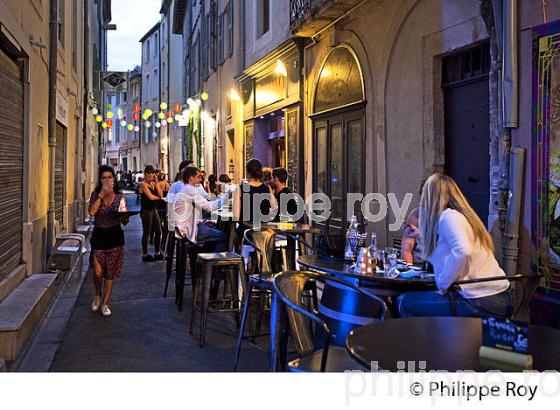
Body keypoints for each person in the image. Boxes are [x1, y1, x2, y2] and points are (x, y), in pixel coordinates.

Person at [397, 173, 513, 318]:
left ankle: (436, 340)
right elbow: (448, 251)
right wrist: (420, 236)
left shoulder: (449, 217)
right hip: (494, 296)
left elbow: (463, 251)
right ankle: (442, 340)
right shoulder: (461, 217)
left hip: (482, 300)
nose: (421, 203)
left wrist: (443, 285)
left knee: (405, 302)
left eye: (424, 197)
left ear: (432, 199)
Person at [88, 165, 128, 317]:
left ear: (114, 178)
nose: (107, 180)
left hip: (115, 237)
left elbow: (124, 220)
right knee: (97, 272)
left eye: (109, 177)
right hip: (99, 236)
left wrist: (125, 217)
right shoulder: (95, 194)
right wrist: (101, 196)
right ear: (100, 179)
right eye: (104, 177)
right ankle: (97, 294)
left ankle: (105, 303)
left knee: (110, 273)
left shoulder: (119, 196)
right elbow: (92, 212)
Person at [174, 166, 233, 251]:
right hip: (187, 231)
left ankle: (203, 261)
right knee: (224, 236)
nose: (201, 180)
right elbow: (211, 207)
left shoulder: (186, 189)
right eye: (198, 177)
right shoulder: (190, 190)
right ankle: (215, 263)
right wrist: (227, 195)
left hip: (184, 227)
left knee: (214, 229)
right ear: (191, 178)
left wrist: (202, 222)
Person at [233, 158, 277, 240]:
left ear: (247, 172)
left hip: (246, 234)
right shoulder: (267, 188)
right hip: (264, 235)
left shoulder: (240, 189)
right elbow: (275, 210)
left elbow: (236, 216)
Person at [140, 165, 164, 262]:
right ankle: (145, 254)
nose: (150, 174)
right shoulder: (143, 184)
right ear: (145, 174)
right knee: (147, 232)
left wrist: (157, 183)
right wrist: (160, 198)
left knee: (158, 231)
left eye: (152, 172)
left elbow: (161, 194)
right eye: (148, 172)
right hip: (146, 210)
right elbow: (151, 197)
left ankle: (157, 252)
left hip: (154, 209)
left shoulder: (154, 184)